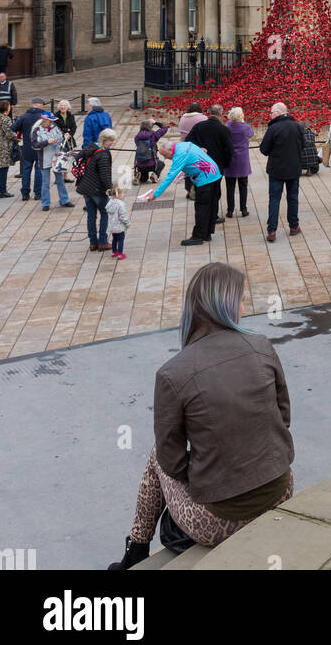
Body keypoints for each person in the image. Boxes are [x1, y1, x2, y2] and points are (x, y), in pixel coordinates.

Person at [108, 262, 294, 569]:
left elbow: (171, 461)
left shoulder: (172, 373)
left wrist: (210, 469)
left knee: (156, 454)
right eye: (240, 300)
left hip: (219, 519)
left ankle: (137, 550)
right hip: (280, 490)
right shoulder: (262, 346)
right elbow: (283, 418)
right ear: (225, 308)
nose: (244, 307)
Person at [149, 138, 221, 247]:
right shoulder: (185, 145)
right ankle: (207, 234)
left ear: (170, 150)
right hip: (214, 174)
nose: (165, 158)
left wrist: (155, 194)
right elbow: (195, 158)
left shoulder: (179, 155)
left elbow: (170, 176)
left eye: (165, 155)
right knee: (211, 206)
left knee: (201, 207)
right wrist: (188, 172)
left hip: (205, 179)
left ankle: (198, 236)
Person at [259, 103, 304, 243]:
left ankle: (272, 230)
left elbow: (264, 149)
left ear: (278, 113)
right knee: (292, 198)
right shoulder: (297, 126)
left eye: (271, 112)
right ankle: (294, 226)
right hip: (293, 168)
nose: (270, 115)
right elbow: (303, 145)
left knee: (274, 199)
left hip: (276, 169)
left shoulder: (273, 128)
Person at [189, 105, 234, 227]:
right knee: (215, 192)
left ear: (208, 113)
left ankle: (203, 216)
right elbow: (229, 150)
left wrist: (198, 152)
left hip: (201, 165)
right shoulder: (223, 129)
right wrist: (225, 164)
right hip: (217, 166)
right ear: (220, 113)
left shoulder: (198, 127)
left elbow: (188, 142)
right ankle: (213, 216)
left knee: (202, 192)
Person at [75, 128, 116, 250]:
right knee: (105, 213)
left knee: (91, 216)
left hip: (86, 188)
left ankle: (93, 243)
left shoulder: (90, 148)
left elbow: (78, 157)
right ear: (105, 140)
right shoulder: (103, 154)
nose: (112, 143)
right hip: (97, 189)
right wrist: (110, 188)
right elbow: (104, 174)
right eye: (111, 141)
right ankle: (103, 241)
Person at [34, 112, 75, 212]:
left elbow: (60, 137)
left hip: (57, 158)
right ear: (44, 121)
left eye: (52, 121)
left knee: (60, 180)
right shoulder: (36, 130)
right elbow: (34, 145)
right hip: (44, 159)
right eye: (50, 121)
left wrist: (65, 136)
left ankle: (64, 200)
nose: (52, 122)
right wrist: (47, 142)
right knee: (45, 183)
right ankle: (45, 203)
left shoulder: (55, 127)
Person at [12, 97, 48, 201]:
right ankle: (38, 193)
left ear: (32, 105)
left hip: (27, 148)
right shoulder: (43, 117)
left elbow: (13, 128)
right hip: (39, 148)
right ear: (40, 105)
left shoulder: (24, 117)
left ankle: (25, 193)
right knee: (38, 171)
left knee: (26, 171)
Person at [224, 107, 254, 217]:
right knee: (243, 186)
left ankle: (230, 210)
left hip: (230, 159)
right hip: (242, 160)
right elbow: (251, 134)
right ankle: (243, 209)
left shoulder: (227, 126)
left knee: (230, 187)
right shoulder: (245, 127)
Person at [0, 99, 15, 198]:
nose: (10, 108)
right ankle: (2, 191)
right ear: (6, 108)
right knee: (4, 169)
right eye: (9, 106)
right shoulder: (6, 119)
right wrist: (17, 137)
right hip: (4, 148)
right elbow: (10, 134)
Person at [54, 99, 77, 179]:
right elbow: (56, 128)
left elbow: (74, 127)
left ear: (68, 107)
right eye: (61, 105)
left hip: (69, 140)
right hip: (59, 140)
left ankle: (65, 177)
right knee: (59, 157)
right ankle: (58, 177)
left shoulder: (71, 116)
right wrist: (65, 131)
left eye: (64, 105)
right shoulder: (55, 116)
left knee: (67, 157)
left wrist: (70, 134)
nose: (62, 107)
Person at [106, 190, 131, 260]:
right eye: (122, 194)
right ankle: (120, 253)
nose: (123, 195)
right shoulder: (120, 204)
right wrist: (127, 223)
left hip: (112, 226)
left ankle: (114, 252)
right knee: (121, 239)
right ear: (118, 195)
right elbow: (123, 216)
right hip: (119, 226)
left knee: (114, 239)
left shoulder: (110, 202)